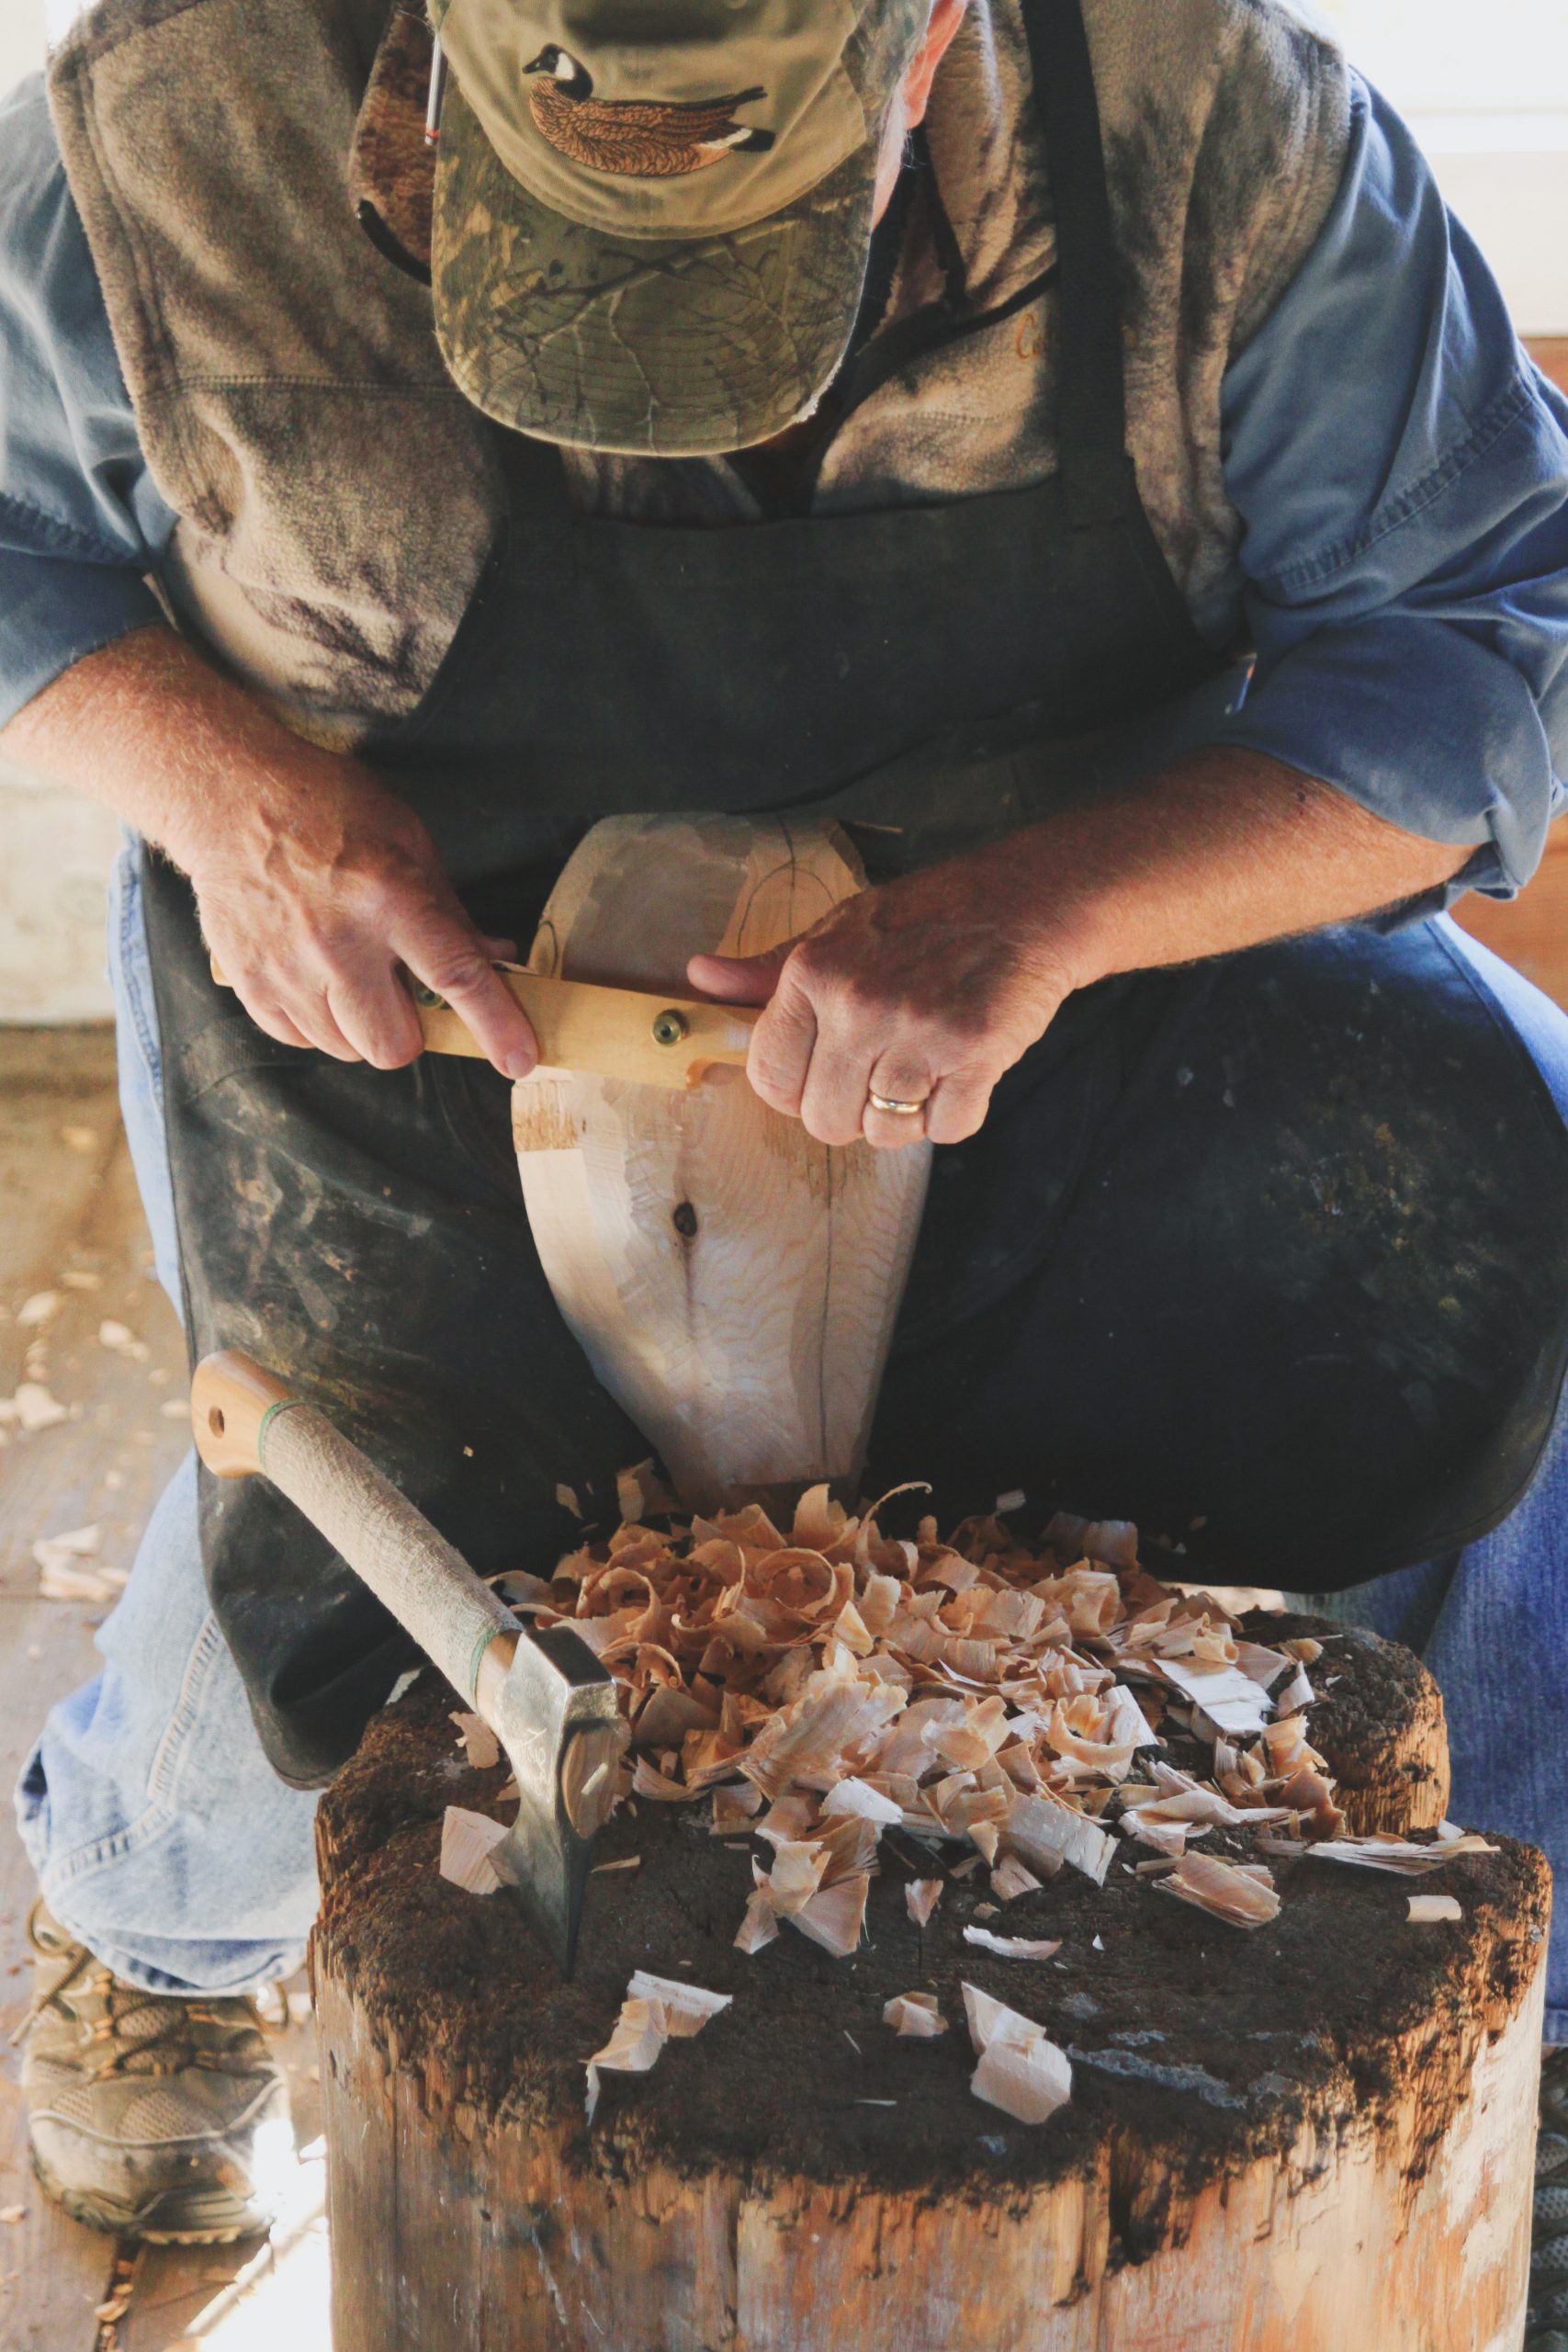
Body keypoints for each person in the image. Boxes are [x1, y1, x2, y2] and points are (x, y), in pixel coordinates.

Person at [1, 0, 1563, 2321]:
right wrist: (218, 789)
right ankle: (157, 1920)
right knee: (359, 1536)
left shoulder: (1211, 124)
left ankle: (1519, 2024)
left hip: (1026, 962)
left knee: (1467, 1300)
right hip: (424, 988)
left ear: (923, 36)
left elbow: (1485, 628)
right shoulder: (174, 129)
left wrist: (1049, 914)